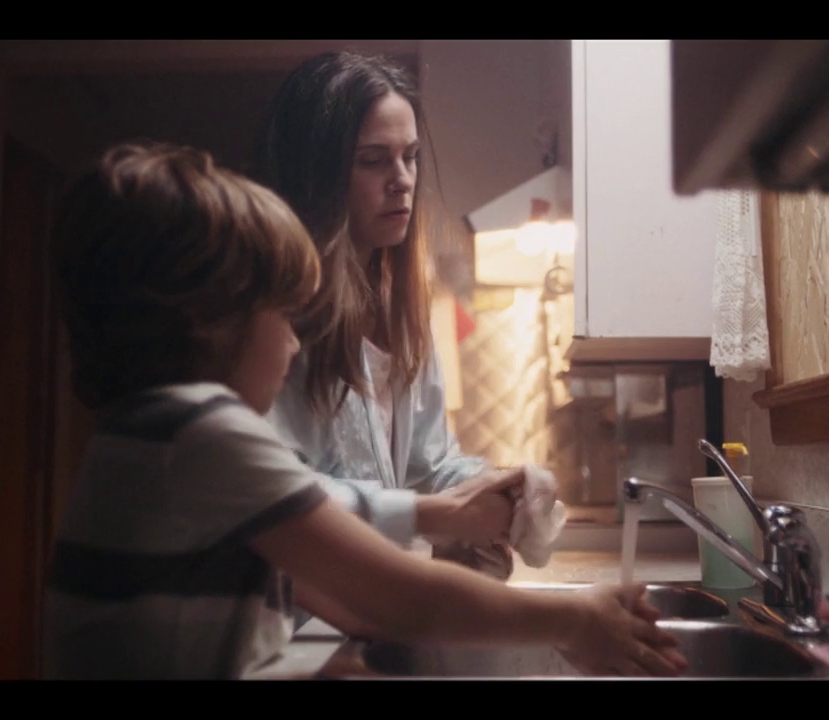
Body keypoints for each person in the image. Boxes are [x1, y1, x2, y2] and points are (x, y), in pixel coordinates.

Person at [41, 141, 688, 679]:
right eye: (283, 314)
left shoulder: (150, 432)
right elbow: (396, 599)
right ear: (207, 320)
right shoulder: (199, 431)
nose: (295, 343)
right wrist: (574, 619)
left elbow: (275, 607)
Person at [253, 52, 519, 570]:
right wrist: (439, 516)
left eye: (411, 157)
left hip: (371, 598)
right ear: (317, 176)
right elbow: (282, 491)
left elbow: (428, 464)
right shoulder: (275, 318)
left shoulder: (404, 311)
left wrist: (494, 489)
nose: (402, 180)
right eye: (373, 161)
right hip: (301, 606)